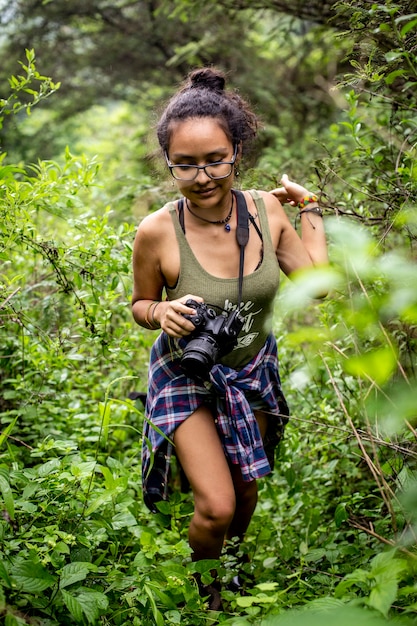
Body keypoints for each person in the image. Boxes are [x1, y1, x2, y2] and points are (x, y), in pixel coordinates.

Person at [131, 67, 328, 610]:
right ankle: (209, 595)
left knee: (244, 490)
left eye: (214, 159)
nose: (203, 176)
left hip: (249, 370)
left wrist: (308, 208)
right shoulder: (156, 230)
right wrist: (160, 311)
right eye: (186, 164)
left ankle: (234, 568)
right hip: (186, 373)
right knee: (215, 505)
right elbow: (139, 305)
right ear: (168, 163)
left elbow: (317, 287)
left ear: (236, 151)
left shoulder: (267, 212)